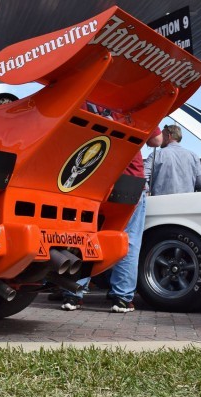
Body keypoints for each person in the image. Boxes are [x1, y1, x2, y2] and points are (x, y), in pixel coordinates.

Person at [54, 128, 160, 313]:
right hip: (129, 181)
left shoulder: (88, 101)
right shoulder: (137, 103)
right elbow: (156, 141)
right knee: (128, 240)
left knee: (85, 236)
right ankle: (122, 298)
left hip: (93, 179)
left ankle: (74, 294)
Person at [144, 124, 201, 196]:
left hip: (161, 203)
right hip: (187, 203)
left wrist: (147, 191)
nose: (160, 138)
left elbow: (142, 176)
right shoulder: (193, 156)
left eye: (162, 136)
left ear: (168, 136)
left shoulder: (156, 155)